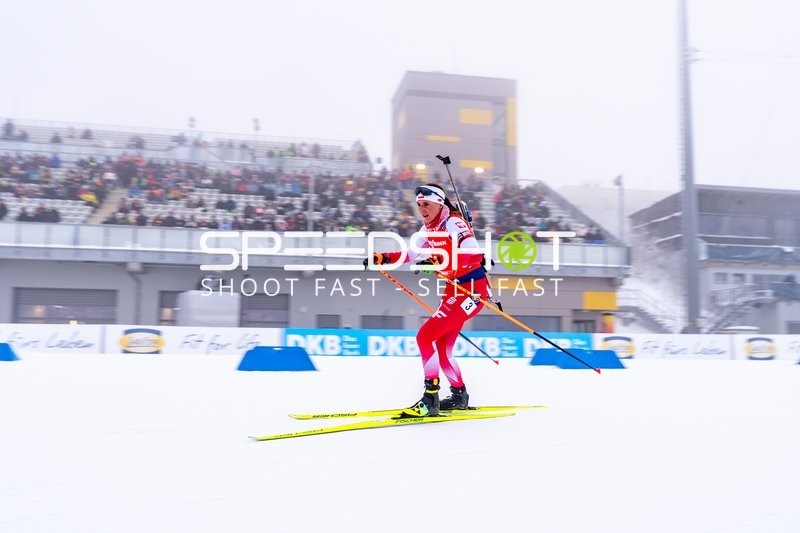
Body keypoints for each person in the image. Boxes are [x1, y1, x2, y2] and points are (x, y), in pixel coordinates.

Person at [364, 183, 488, 417]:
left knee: (424, 336)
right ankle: (459, 396)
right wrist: (383, 257)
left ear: (439, 203)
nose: (422, 209)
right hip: (453, 289)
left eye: (426, 204)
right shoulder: (428, 229)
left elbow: (474, 255)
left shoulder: (453, 223)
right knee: (442, 346)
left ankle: (430, 398)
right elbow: (411, 254)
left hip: (472, 290)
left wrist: (438, 262)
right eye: (419, 205)